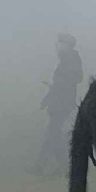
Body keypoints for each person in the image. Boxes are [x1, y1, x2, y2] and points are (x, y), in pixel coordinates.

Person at [34, 33, 83, 176]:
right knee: (53, 135)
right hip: (58, 103)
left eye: (61, 43)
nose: (58, 46)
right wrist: (47, 99)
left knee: (52, 134)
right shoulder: (65, 59)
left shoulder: (72, 59)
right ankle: (52, 166)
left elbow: (76, 78)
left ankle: (45, 166)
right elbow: (58, 84)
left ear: (67, 45)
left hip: (63, 103)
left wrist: (56, 86)